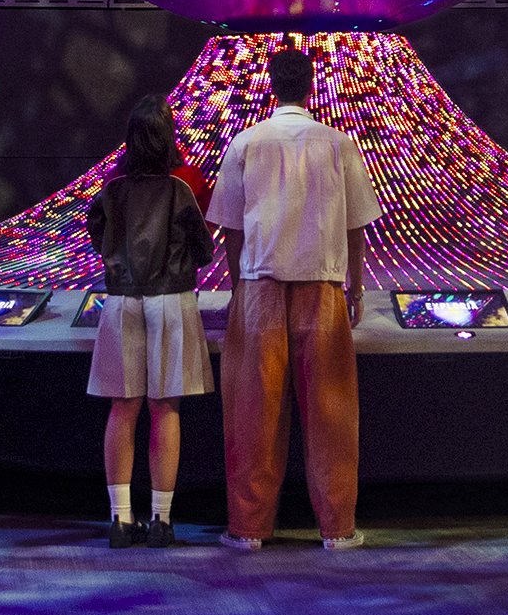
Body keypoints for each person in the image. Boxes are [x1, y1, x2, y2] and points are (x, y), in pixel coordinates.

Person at [207, 42, 380, 551]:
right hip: (323, 286)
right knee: (330, 410)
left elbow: (230, 225)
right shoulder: (338, 144)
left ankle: (248, 528)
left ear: (270, 83)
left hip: (258, 283)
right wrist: (356, 285)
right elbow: (356, 225)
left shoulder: (245, 143)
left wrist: (239, 282)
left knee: (252, 410)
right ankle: (338, 528)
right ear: (311, 87)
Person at [85, 97, 213, 547]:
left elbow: (97, 238)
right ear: (168, 136)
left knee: (123, 408)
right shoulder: (185, 184)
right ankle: (161, 520)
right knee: (165, 409)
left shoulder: (111, 186)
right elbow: (204, 249)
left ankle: (120, 519)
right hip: (171, 299)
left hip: (122, 301)